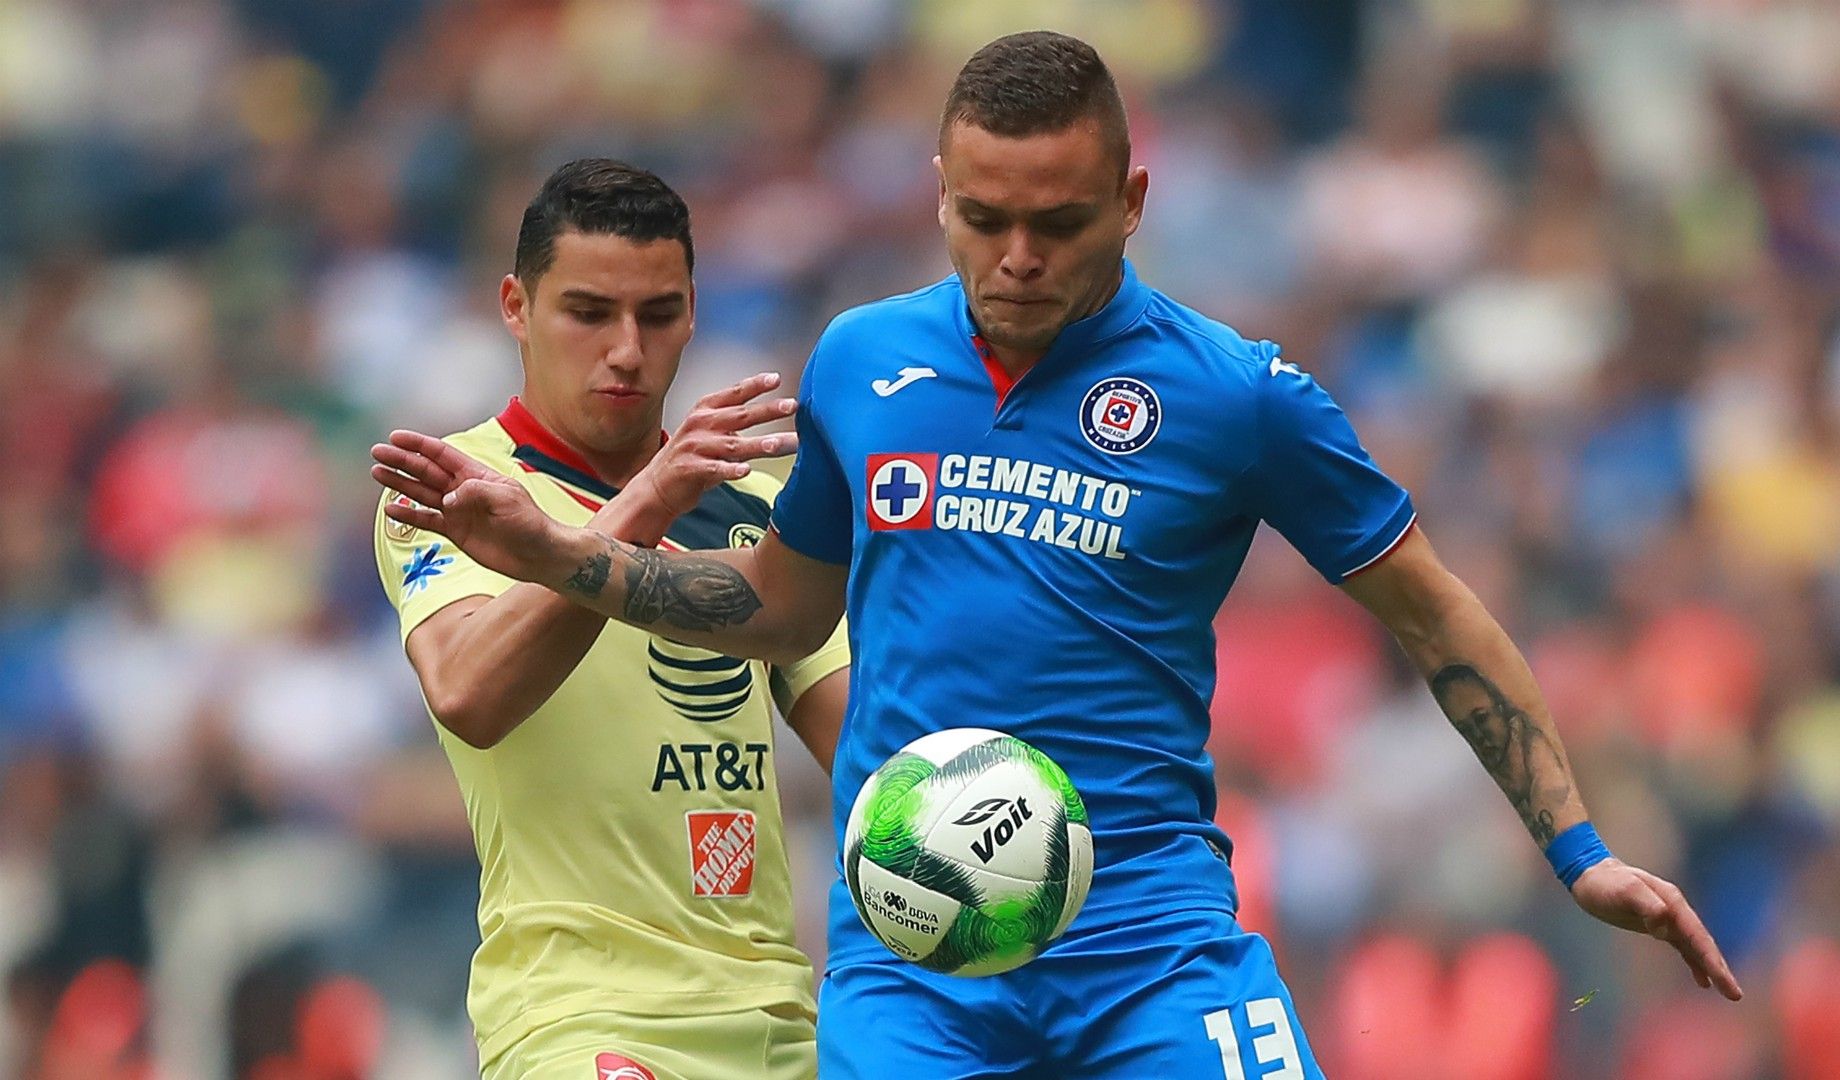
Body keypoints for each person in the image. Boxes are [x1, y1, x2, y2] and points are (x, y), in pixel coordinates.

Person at [375, 34, 1742, 1079]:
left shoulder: (1238, 395)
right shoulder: (862, 363)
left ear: (1134, 199)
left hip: (1151, 938)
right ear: (939, 196)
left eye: (1061, 223)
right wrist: (562, 556)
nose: (1018, 257)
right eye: (986, 219)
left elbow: (1436, 617)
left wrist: (1575, 849)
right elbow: (772, 611)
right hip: (911, 959)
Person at [369, 158, 848, 1080]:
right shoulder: (460, 487)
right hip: (578, 1016)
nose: (627, 349)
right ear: (516, 306)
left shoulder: (756, 504)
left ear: (693, 314)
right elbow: (468, 692)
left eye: (658, 315)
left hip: (780, 1018)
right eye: (589, 313)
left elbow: (869, 745)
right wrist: (647, 503)